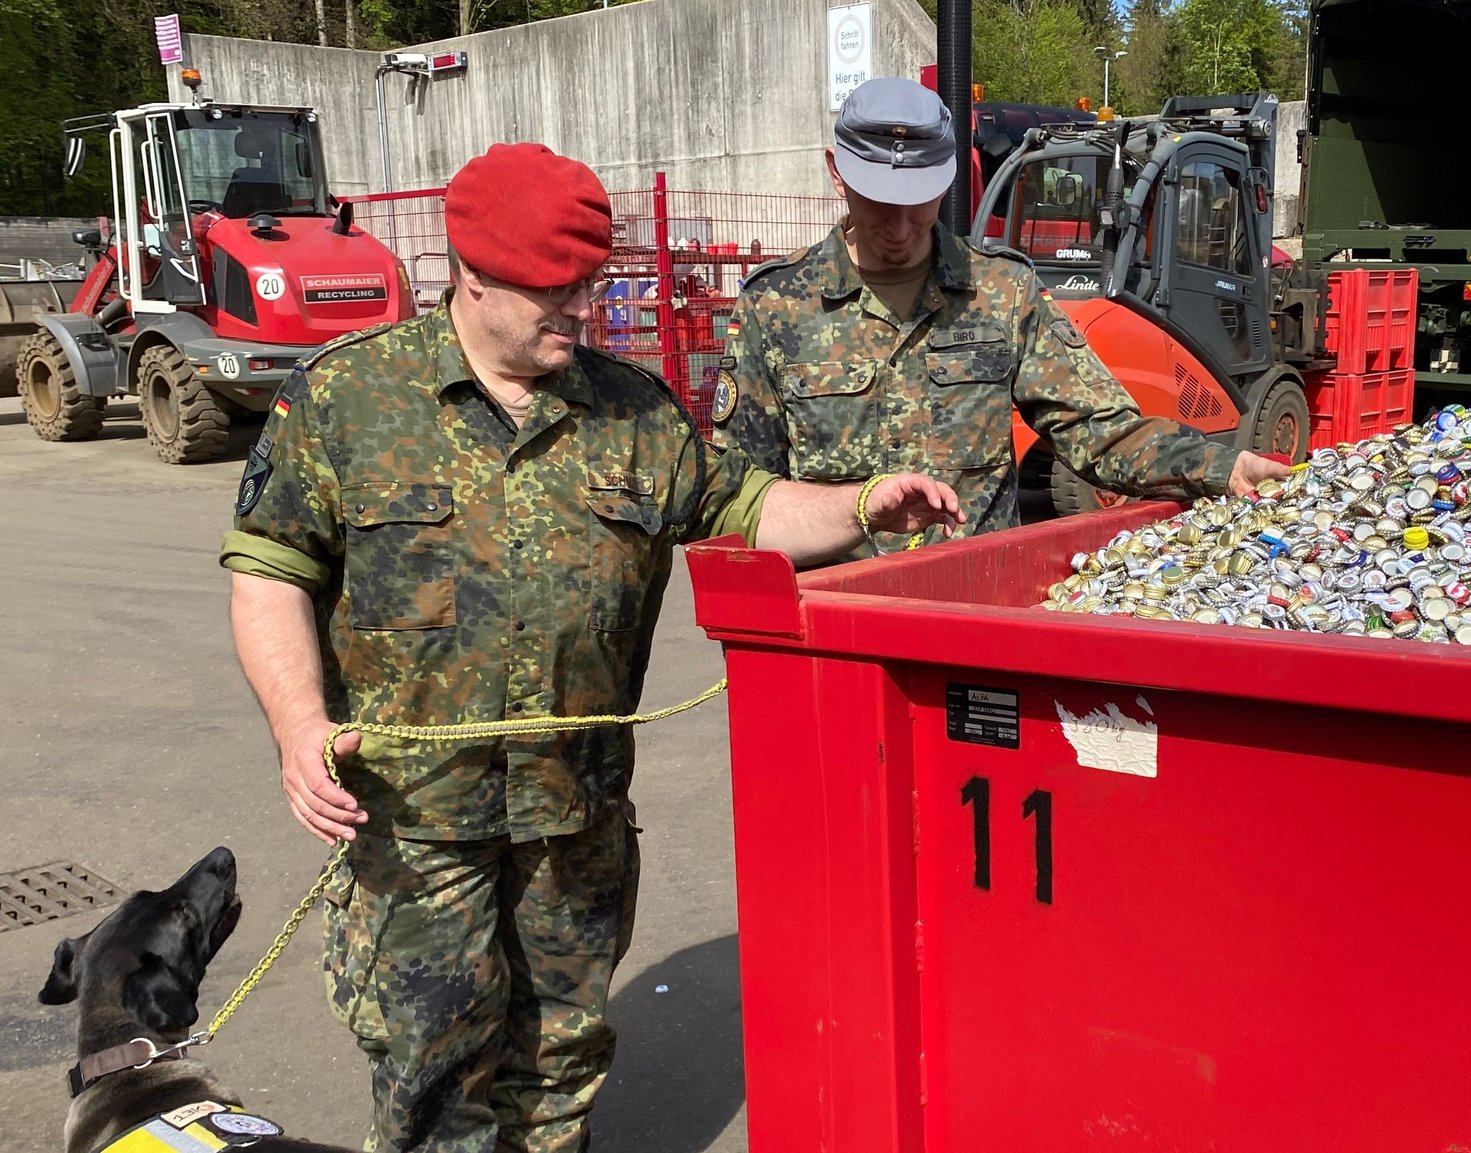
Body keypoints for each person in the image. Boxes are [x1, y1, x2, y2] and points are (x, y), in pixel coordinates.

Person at [219, 142, 959, 1152]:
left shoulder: (632, 412)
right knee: (434, 1067)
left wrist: (865, 504)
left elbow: (744, 508)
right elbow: (269, 567)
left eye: (590, 289)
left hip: (574, 822)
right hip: (416, 823)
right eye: (552, 296)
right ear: (470, 280)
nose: (581, 313)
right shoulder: (349, 402)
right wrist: (298, 724)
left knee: (560, 1062)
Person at [710, 77, 1291, 561]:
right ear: (837, 173)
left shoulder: (1001, 291)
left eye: (919, 199)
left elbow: (1102, 431)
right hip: (839, 628)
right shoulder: (775, 306)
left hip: (977, 614)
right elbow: (736, 498)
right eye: (879, 201)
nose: (900, 225)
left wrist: (1222, 466)